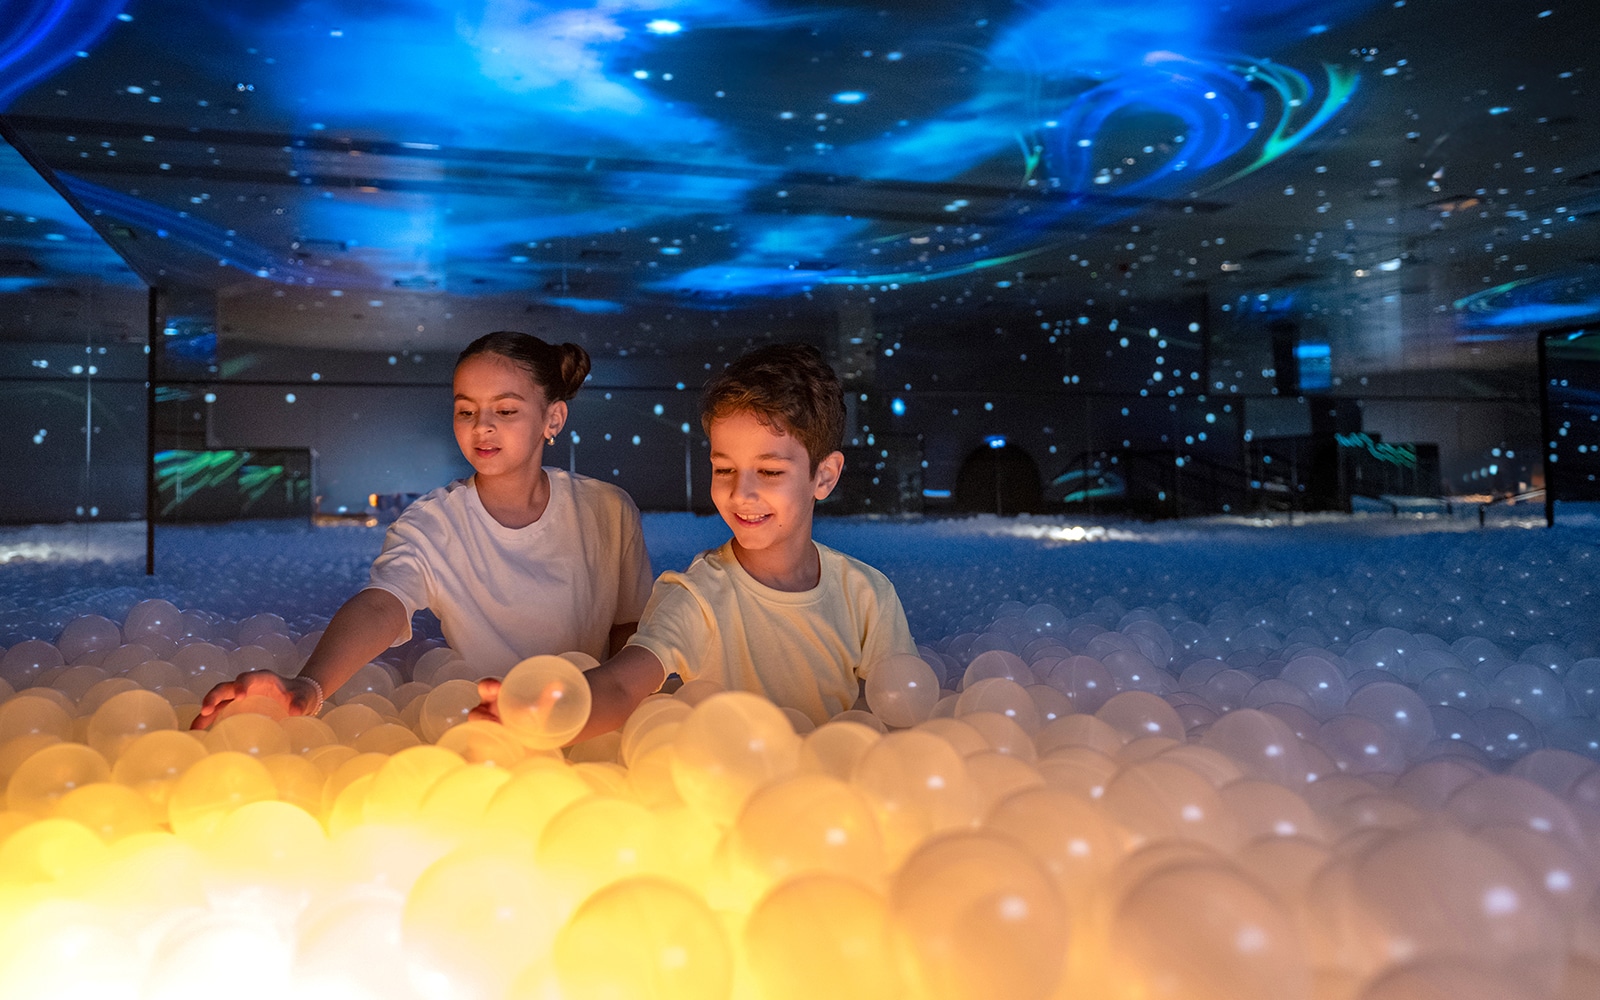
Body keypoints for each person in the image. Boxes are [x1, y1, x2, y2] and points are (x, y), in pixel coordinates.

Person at [192, 331, 654, 728]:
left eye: (505, 411)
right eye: (466, 411)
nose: (482, 427)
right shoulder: (433, 523)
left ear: (553, 419)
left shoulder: (607, 510)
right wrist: (309, 686)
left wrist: (615, 707)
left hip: (587, 719)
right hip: (487, 725)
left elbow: (629, 629)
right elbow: (382, 603)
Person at [476, 341, 916, 740]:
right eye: (724, 469)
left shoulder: (867, 596)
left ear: (824, 476)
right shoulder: (697, 596)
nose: (741, 493)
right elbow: (622, 684)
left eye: (769, 471)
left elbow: (904, 713)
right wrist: (547, 712)